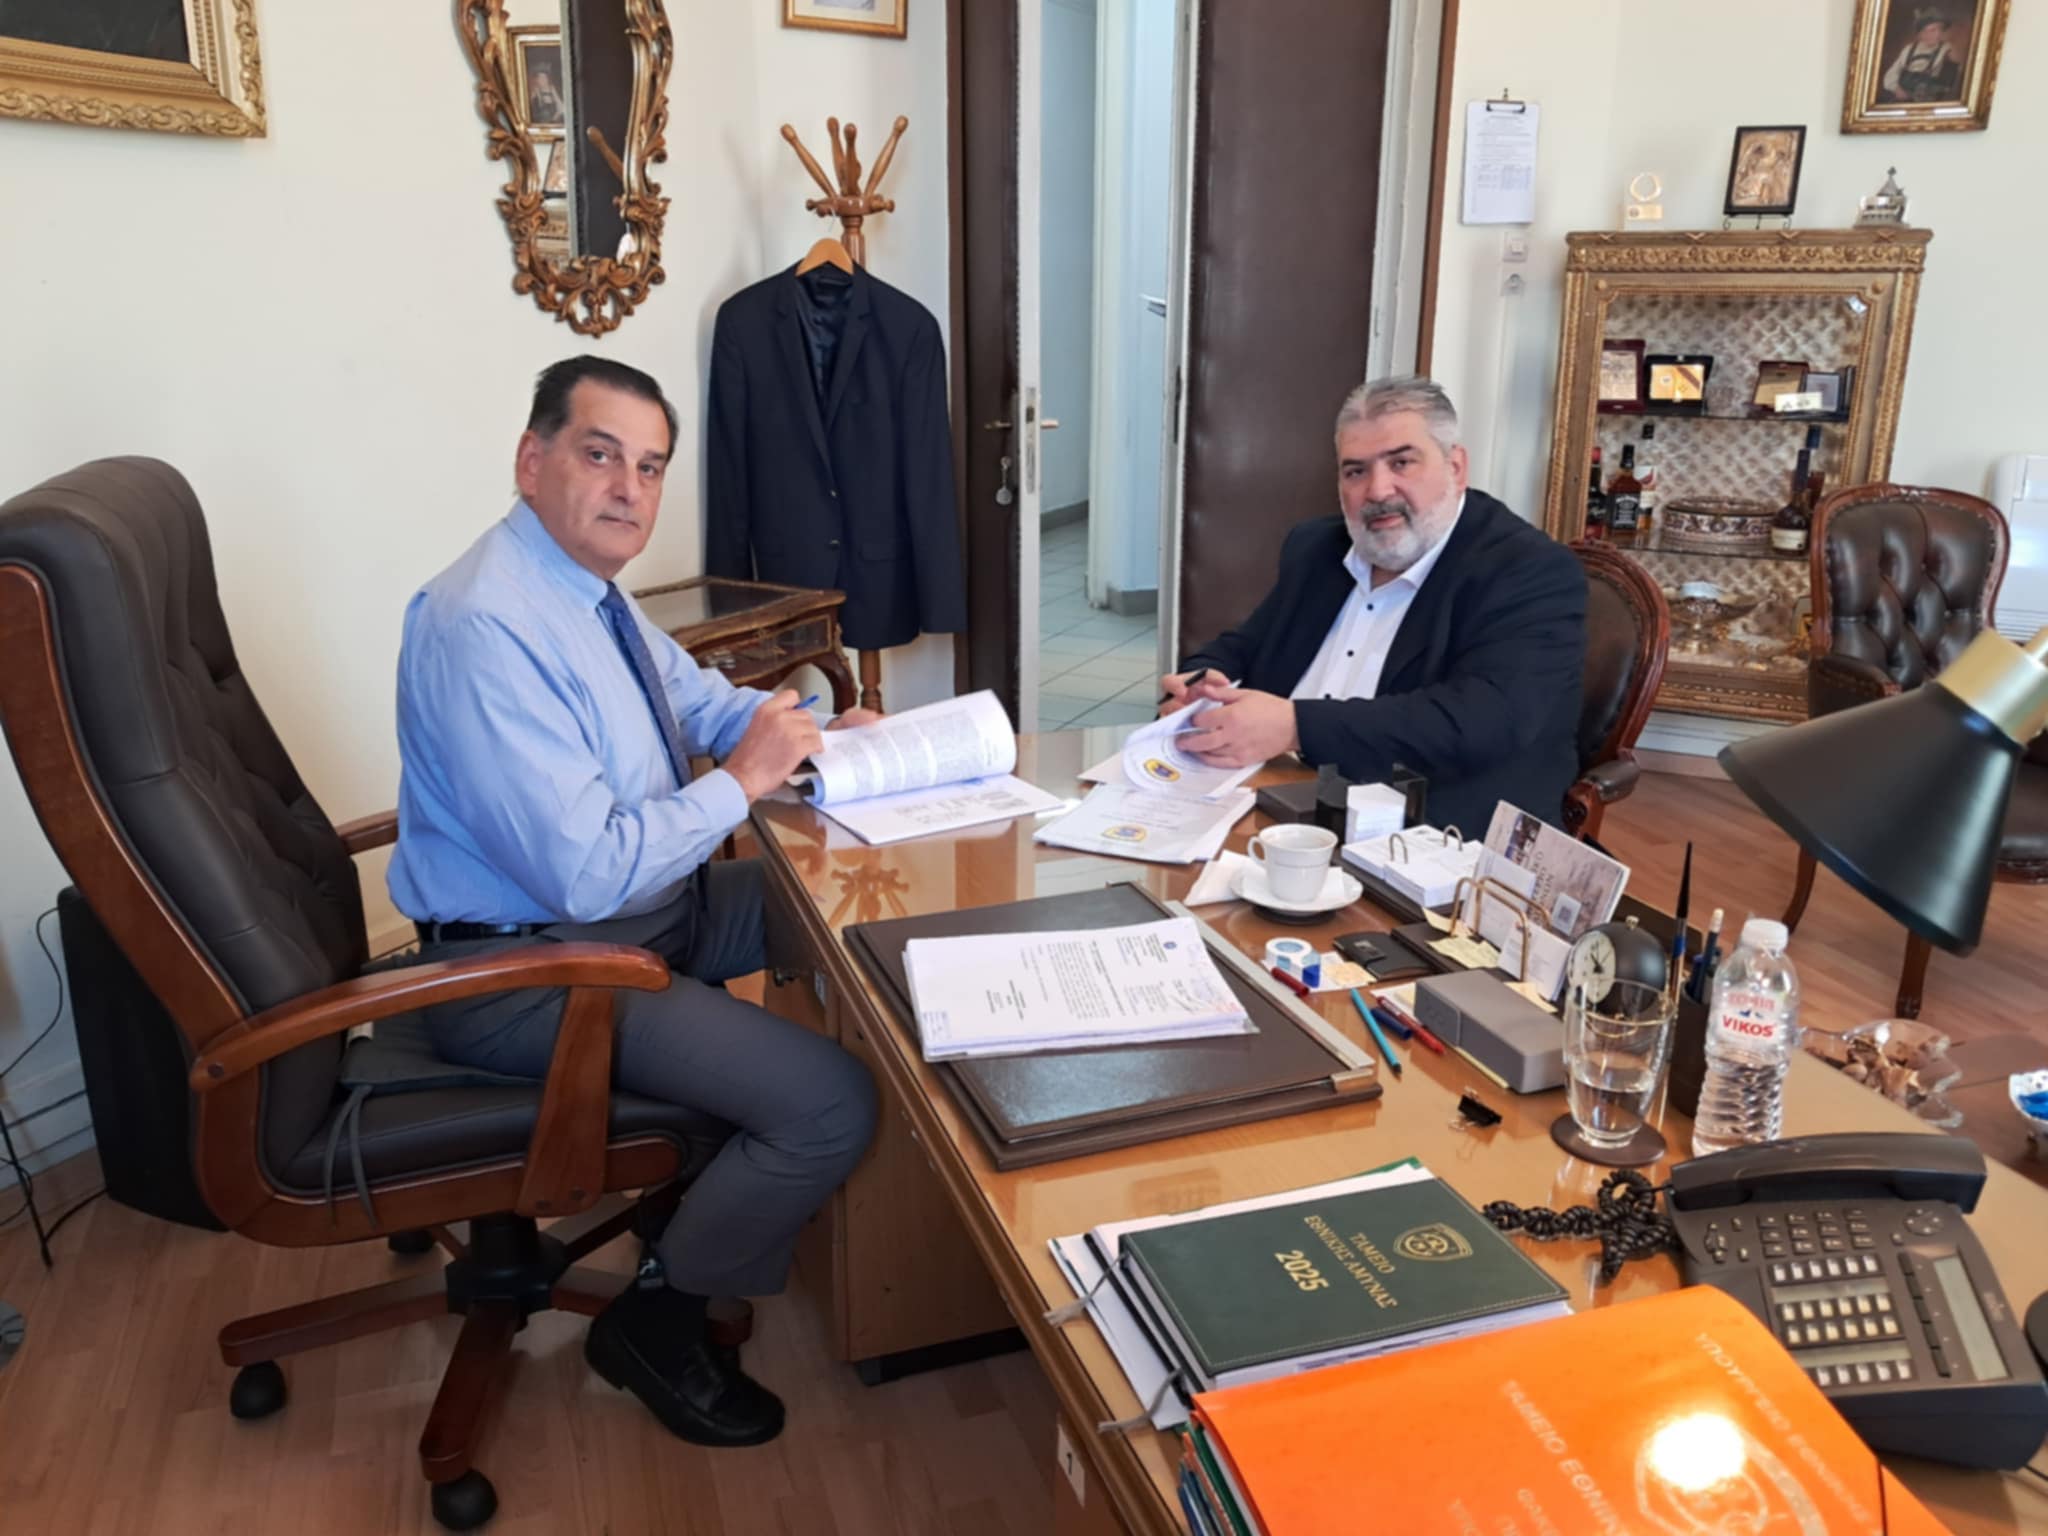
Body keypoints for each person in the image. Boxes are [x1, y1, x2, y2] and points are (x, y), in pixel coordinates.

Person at [388, 356, 880, 1449]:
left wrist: (810, 735)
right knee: (830, 1103)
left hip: (639, 916)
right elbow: (587, 872)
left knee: (851, 903)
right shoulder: (484, 626)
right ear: (532, 461)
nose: (628, 489)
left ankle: (713, 1191)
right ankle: (652, 1325)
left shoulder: (586, 594)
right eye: (600, 454)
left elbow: (702, 703)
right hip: (533, 968)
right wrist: (742, 782)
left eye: (650, 467)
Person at [1162, 375, 1586, 835]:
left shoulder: (1529, 570)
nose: (1378, 490)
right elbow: (1245, 646)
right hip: (1272, 799)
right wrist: (1201, 682)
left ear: (1456, 466)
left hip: (1433, 832)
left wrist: (1296, 726)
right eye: (1356, 471)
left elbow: (1482, 720)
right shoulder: (1317, 547)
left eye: (1401, 462)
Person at [1881, 8, 1963, 103]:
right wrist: (1897, 89)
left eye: (1935, 30)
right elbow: (1892, 73)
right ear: (1920, 33)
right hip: (1903, 95)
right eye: (1926, 31)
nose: (1930, 35)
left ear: (1941, 32)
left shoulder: (1946, 48)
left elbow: (1958, 63)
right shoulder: (1910, 49)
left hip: (1927, 98)